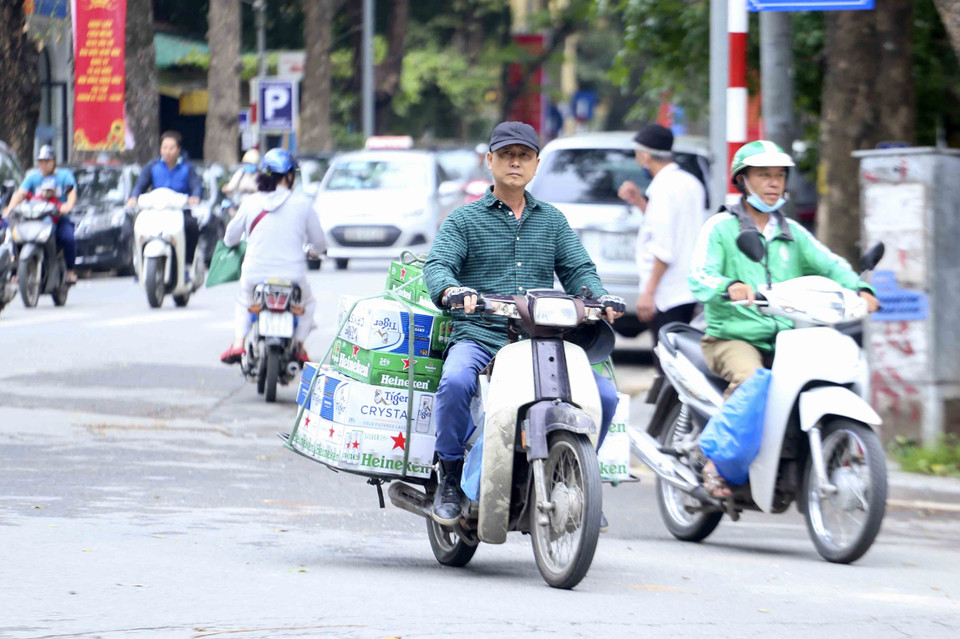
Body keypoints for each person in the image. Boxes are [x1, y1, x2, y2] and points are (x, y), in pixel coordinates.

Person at [424, 121, 626, 526]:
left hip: (543, 342)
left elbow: (579, 270)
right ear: (490, 161)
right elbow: (439, 264)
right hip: (481, 335)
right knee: (455, 381)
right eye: (506, 155)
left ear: (536, 164)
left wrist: (599, 297)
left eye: (524, 156)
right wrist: (450, 291)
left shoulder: (552, 221)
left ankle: (577, 477)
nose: (515, 163)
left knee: (604, 397)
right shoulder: (463, 220)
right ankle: (448, 474)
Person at [688, 140, 880, 498]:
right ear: (743, 181)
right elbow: (699, 275)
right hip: (733, 336)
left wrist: (859, 288)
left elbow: (830, 263)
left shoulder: (792, 232)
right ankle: (714, 464)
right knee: (751, 379)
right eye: (764, 176)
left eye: (779, 176)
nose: (774, 183)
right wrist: (730, 285)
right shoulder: (720, 228)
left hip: (788, 338)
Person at [219, 148, 325, 366]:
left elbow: (230, 237)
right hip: (292, 276)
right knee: (308, 304)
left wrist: (233, 243)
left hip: (254, 274)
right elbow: (320, 243)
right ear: (288, 176)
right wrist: (314, 251)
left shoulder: (250, 202)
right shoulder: (302, 204)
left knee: (244, 301)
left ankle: (239, 343)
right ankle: (298, 345)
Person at [618, 124, 704, 359]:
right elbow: (673, 227)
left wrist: (649, 292)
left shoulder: (664, 189)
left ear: (645, 155)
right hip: (687, 288)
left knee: (666, 362)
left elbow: (664, 247)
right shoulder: (690, 183)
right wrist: (639, 201)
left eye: (638, 155)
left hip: (667, 293)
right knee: (682, 358)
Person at [2, 145, 79, 283]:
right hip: (34, 220)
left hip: (58, 219)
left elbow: (71, 193)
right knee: (16, 237)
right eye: (41, 161)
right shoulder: (32, 177)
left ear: (53, 161)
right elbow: (20, 194)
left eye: (47, 161)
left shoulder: (64, 175)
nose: (43, 164)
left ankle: (69, 271)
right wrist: (10, 209)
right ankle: (17, 270)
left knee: (68, 239)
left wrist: (67, 206)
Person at [127, 130, 202, 267]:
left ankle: (187, 264)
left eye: (171, 148)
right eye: (164, 147)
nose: (167, 151)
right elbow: (140, 185)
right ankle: (140, 263)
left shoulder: (187, 168)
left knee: (192, 227)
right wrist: (133, 197)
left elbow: (196, 186)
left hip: (179, 211)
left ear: (178, 149)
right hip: (157, 211)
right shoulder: (153, 166)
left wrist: (195, 197)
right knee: (138, 227)